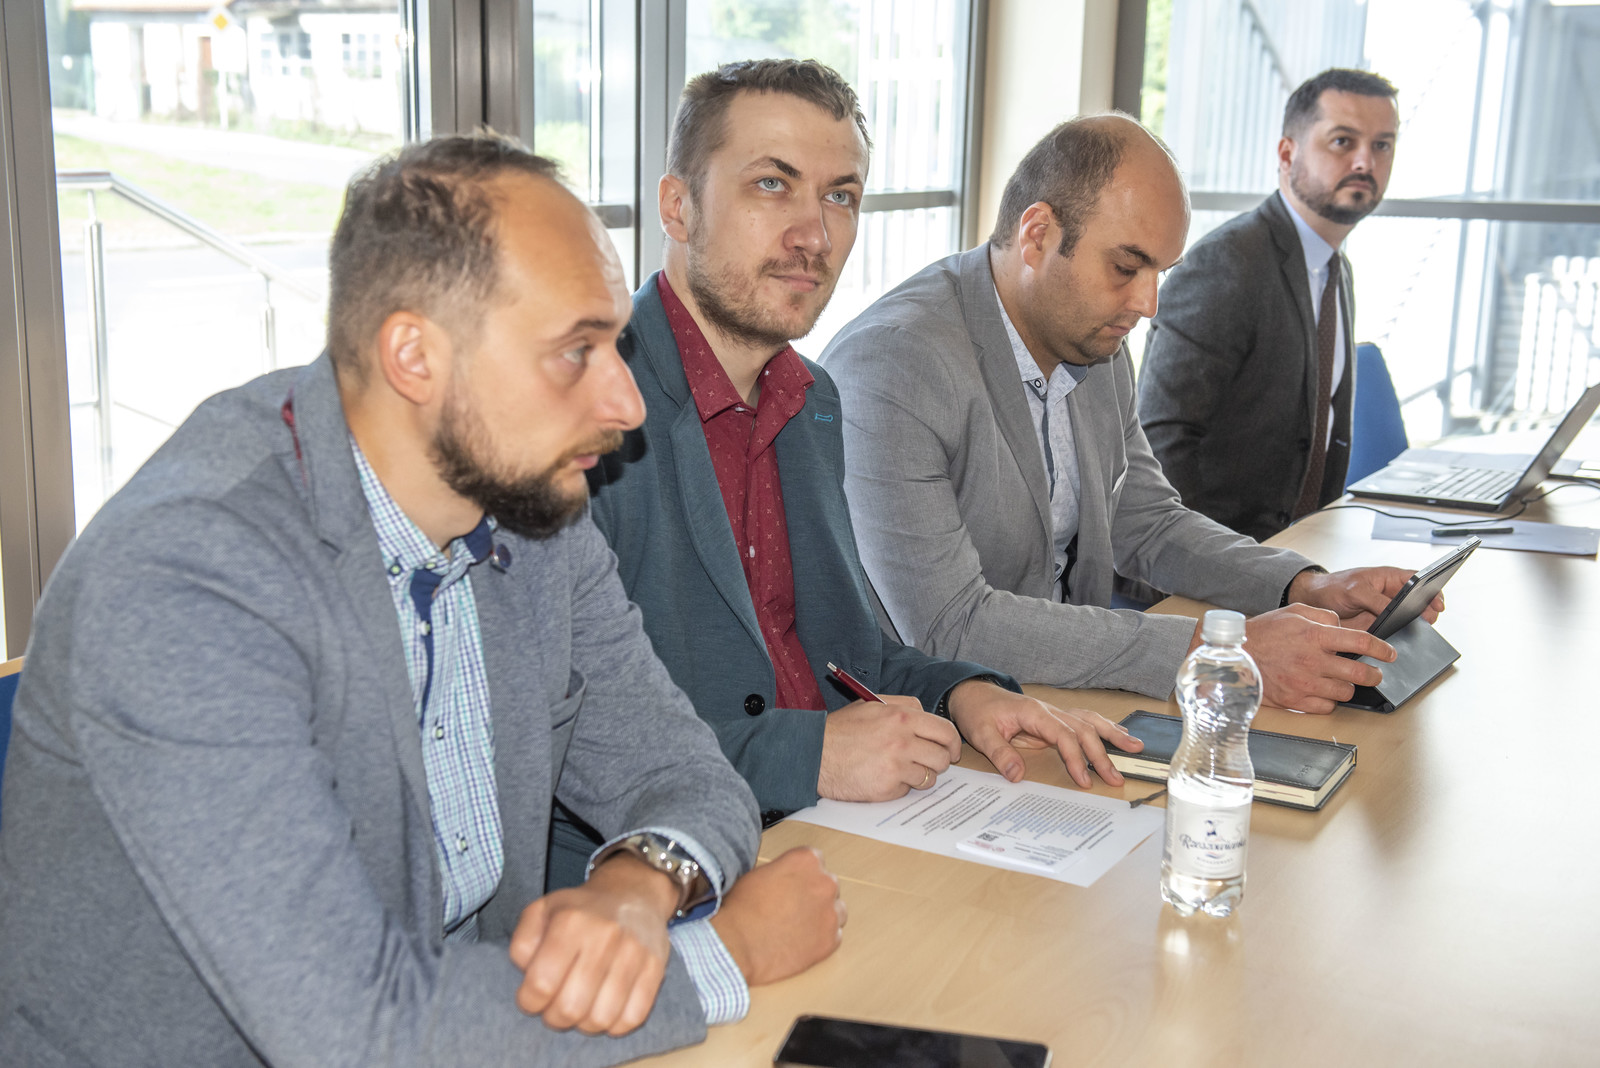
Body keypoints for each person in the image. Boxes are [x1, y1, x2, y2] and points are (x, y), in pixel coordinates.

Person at [0, 135, 846, 1068]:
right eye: (576, 352)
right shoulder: (188, 583)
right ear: (413, 355)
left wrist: (640, 886)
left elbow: (688, 774)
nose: (627, 403)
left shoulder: (530, 507)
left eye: (619, 346)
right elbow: (354, 1030)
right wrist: (721, 955)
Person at [550, 60, 1141, 886]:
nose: (815, 235)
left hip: (832, 836)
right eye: (772, 185)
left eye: (840, 196)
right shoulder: (583, 413)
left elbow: (847, 653)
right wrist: (812, 753)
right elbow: (569, 743)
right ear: (678, 207)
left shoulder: (812, 399)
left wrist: (966, 694)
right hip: (648, 875)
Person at [821, 114, 1439, 710]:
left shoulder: (1092, 336)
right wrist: (1219, 651)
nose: (1147, 303)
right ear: (1037, 236)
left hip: (1067, 699)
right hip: (929, 723)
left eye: (1160, 272)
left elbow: (1146, 522)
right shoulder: (895, 363)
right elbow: (950, 625)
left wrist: (1307, 585)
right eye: (1126, 266)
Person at [1139, 68, 1400, 542]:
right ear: (1286, 153)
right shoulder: (1228, 262)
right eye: (1343, 141)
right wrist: (1206, 566)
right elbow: (1160, 440)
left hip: (1300, 551)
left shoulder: (1335, 269)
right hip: (1219, 559)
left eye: (1382, 145)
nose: (1366, 161)